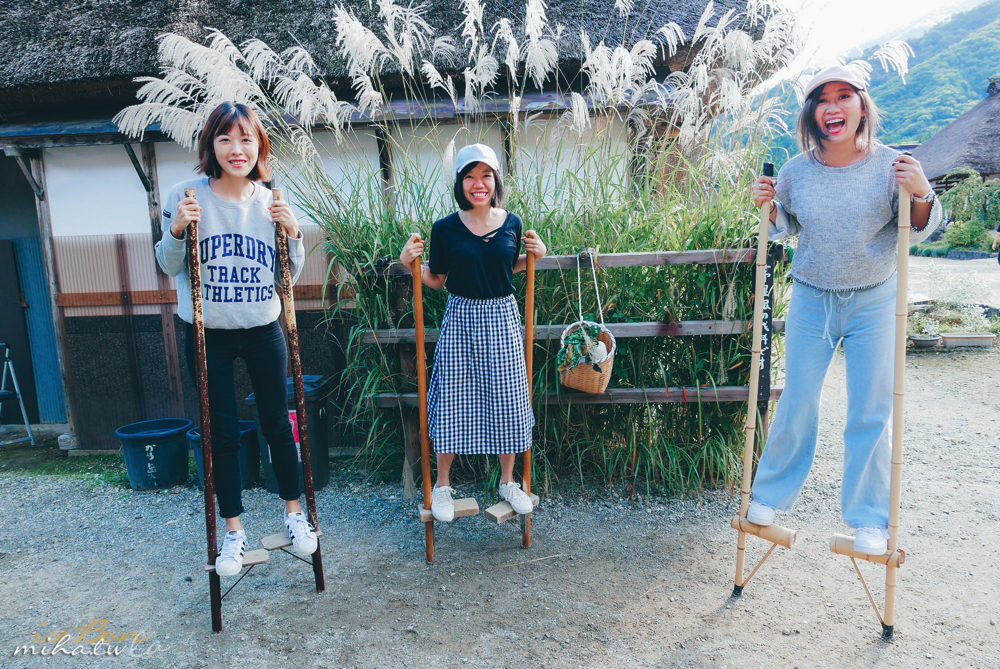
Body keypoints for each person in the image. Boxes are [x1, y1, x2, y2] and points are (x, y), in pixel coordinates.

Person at [748, 64, 942, 554]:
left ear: (862, 106)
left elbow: (919, 227)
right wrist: (768, 206)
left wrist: (921, 190)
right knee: (798, 399)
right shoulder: (795, 170)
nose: (831, 108)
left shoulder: (893, 165)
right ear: (811, 113)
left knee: (871, 409)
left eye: (843, 97)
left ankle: (871, 519)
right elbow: (784, 226)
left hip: (875, 298)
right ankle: (768, 493)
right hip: (813, 296)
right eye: (821, 99)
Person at [155, 102, 317, 576]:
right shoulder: (185, 195)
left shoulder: (271, 200)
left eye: (246, 139)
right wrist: (177, 230)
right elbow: (168, 266)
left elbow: (288, 278)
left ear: (259, 146)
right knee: (220, 433)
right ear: (211, 146)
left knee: (276, 423)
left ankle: (294, 516)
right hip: (206, 333)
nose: (236, 149)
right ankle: (233, 532)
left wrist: (293, 233)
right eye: (225, 139)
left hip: (264, 328)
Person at [398, 144, 545, 522]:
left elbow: (506, 267)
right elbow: (436, 278)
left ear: (496, 180)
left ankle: (509, 482)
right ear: (460, 182)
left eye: (485, 175)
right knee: (450, 397)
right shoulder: (445, 228)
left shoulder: (512, 222)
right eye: (469, 176)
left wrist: (536, 256)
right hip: (461, 316)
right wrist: (409, 264)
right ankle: (443, 486)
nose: (477, 184)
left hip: (502, 316)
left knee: (509, 397)